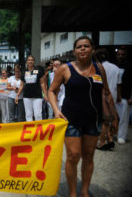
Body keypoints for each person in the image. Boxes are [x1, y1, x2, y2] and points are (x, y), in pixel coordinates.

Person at [48, 36, 118, 197]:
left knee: (88, 155)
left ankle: (85, 191)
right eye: (79, 47)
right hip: (71, 118)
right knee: (73, 156)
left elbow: (106, 93)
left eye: (86, 46)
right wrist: (56, 109)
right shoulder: (65, 69)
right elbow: (52, 90)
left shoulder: (99, 68)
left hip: (93, 119)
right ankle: (73, 193)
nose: (83, 49)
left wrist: (114, 116)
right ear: (74, 51)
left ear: (92, 49)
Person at [94, 48, 121, 150]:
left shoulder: (97, 67)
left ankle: (102, 141)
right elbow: (119, 84)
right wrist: (118, 96)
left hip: (102, 95)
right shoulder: (116, 68)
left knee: (103, 119)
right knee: (109, 118)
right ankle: (109, 138)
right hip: (112, 95)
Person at [115, 47, 132, 144]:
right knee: (110, 117)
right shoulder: (113, 65)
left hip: (125, 96)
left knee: (124, 118)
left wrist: (131, 97)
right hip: (113, 95)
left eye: (123, 54)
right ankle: (109, 134)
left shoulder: (130, 66)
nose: (121, 56)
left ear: (126, 55)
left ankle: (121, 136)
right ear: (116, 55)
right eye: (119, 54)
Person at [21, 55, 45, 121]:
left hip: (37, 96)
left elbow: (42, 83)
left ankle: (39, 130)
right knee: (28, 115)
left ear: (34, 61)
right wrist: (17, 95)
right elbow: (21, 85)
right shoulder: (24, 72)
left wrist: (45, 94)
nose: (30, 61)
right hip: (27, 96)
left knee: (38, 114)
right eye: (29, 60)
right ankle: (30, 130)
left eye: (32, 60)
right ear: (26, 62)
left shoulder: (38, 71)